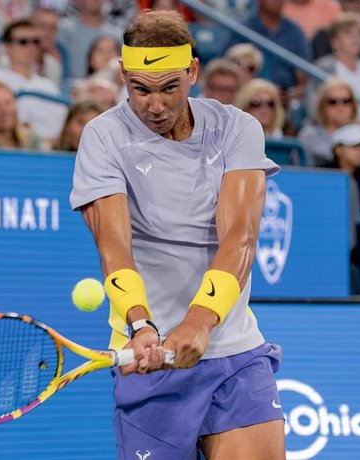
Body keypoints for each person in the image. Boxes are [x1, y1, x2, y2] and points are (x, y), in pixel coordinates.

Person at [69, 10, 285, 460]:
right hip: (147, 355)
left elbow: (239, 239)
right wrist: (140, 322)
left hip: (233, 351)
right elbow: (113, 244)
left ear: (193, 72)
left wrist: (199, 322)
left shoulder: (237, 128)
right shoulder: (103, 137)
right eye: (140, 89)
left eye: (170, 87)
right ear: (125, 76)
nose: (155, 105)